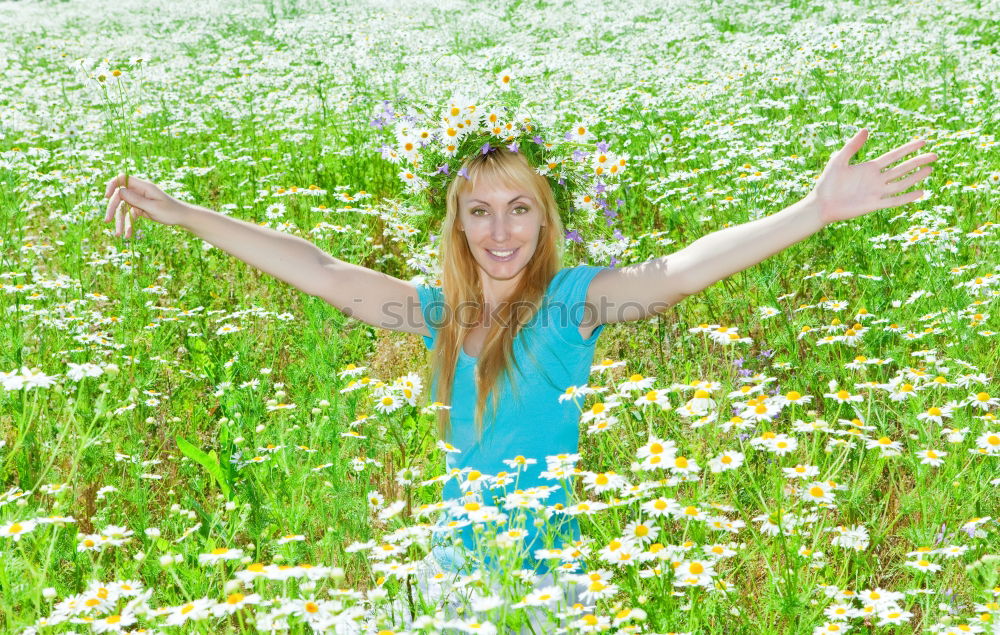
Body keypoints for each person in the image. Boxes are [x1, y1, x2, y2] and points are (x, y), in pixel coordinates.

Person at [102, 127, 936, 629]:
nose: (499, 229)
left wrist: (813, 210)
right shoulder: (430, 312)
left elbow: (677, 272)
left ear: (545, 220)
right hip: (446, 571)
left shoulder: (575, 305)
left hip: (546, 577)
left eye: (520, 208)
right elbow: (318, 268)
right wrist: (184, 213)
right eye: (479, 210)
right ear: (457, 225)